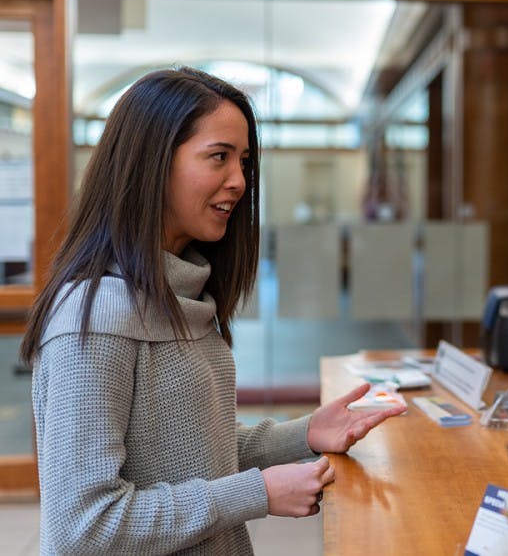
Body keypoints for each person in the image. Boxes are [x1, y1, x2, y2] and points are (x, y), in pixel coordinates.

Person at [19, 66, 405, 555]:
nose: (239, 182)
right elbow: (86, 526)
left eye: (243, 161)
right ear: (150, 163)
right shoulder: (93, 319)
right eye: (218, 157)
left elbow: (197, 453)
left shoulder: (186, 295)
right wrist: (257, 493)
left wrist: (305, 433)